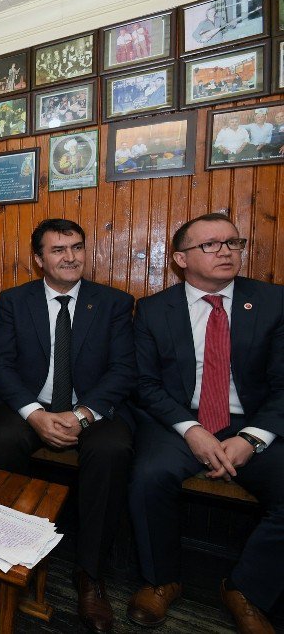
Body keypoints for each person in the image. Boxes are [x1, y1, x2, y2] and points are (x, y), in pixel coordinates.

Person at [128, 213, 283, 634]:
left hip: (251, 421)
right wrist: (191, 429)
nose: (226, 252)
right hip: (180, 419)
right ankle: (161, 579)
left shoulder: (273, 302)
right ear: (180, 257)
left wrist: (252, 438)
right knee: (148, 475)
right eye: (211, 245)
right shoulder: (154, 309)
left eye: (233, 243)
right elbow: (144, 383)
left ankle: (247, 590)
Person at [0, 218, 136, 634]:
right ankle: (10, 552)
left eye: (76, 248)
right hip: (33, 405)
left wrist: (82, 414)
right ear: (39, 259)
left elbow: (124, 370)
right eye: (58, 250)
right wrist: (34, 413)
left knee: (112, 449)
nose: (70, 257)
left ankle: (91, 575)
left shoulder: (114, 302)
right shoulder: (16, 300)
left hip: (92, 410)